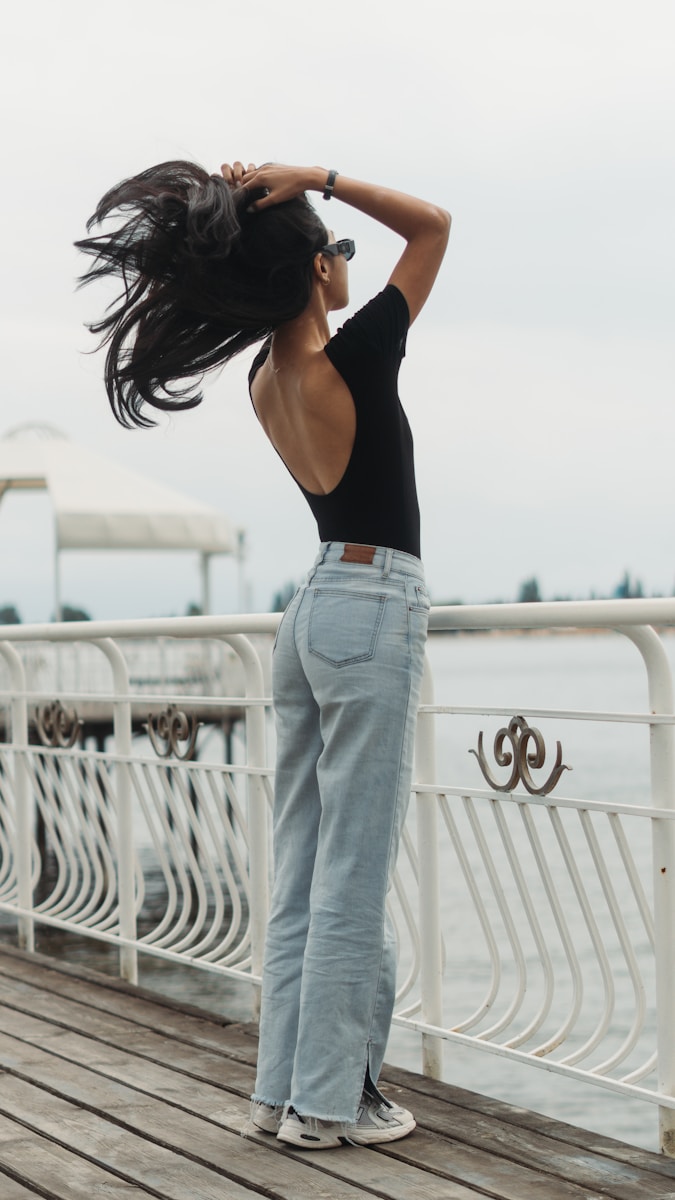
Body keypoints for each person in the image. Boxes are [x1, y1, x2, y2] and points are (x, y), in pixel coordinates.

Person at [76, 161, 450, 1149]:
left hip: (312, 606)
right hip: (370, 603)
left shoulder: (262, 377)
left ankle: (279, 1092)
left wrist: (279, 210)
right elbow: (435, 226)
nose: (352, 270)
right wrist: (317, 174)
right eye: (342, 255)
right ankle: (331, 1106)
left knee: (304, 867)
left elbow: (400, 246)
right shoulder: (356, 356)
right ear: (318, 269)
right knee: (353, 873)